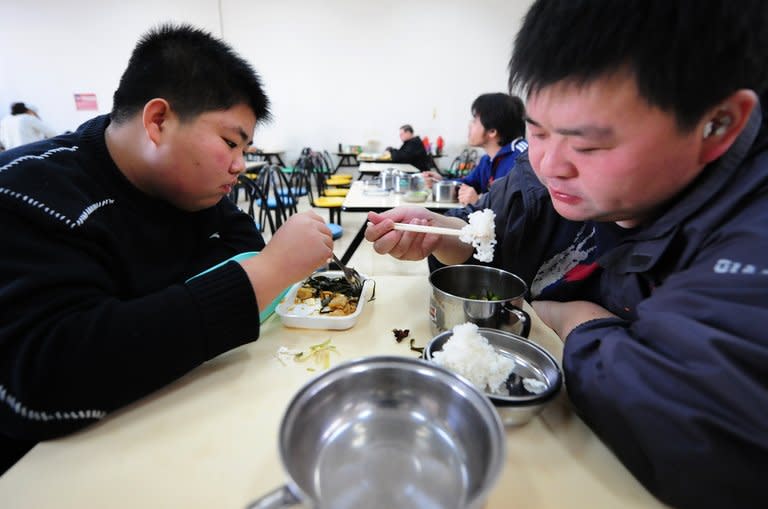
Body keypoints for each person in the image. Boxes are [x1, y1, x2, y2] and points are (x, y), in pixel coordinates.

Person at [365, 1, 768, 507]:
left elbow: (707, 433)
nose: (551, 164)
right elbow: (496, 224)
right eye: (536, 131)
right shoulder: (544, 172)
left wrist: (573, 317)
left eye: (589, 146)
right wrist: (449, 235)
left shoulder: (749, 232)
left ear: (717, 125)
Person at [0, 24, 333, 474]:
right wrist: (268, 272)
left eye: (245, 148)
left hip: (173, 428)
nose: (240, 165)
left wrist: (152, 321)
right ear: (158, 120)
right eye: (230, 142)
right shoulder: (28, 191)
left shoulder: (188, 188)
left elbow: (240, 244)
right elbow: (43, 379)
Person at [423, 93, 527, 205]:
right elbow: (468, 183)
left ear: (492, 131)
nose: (469, 125)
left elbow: (518, 210)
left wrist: (479, 202)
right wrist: (441, 181)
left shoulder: (522, 159)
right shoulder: (487, 159)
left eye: (474, 121)